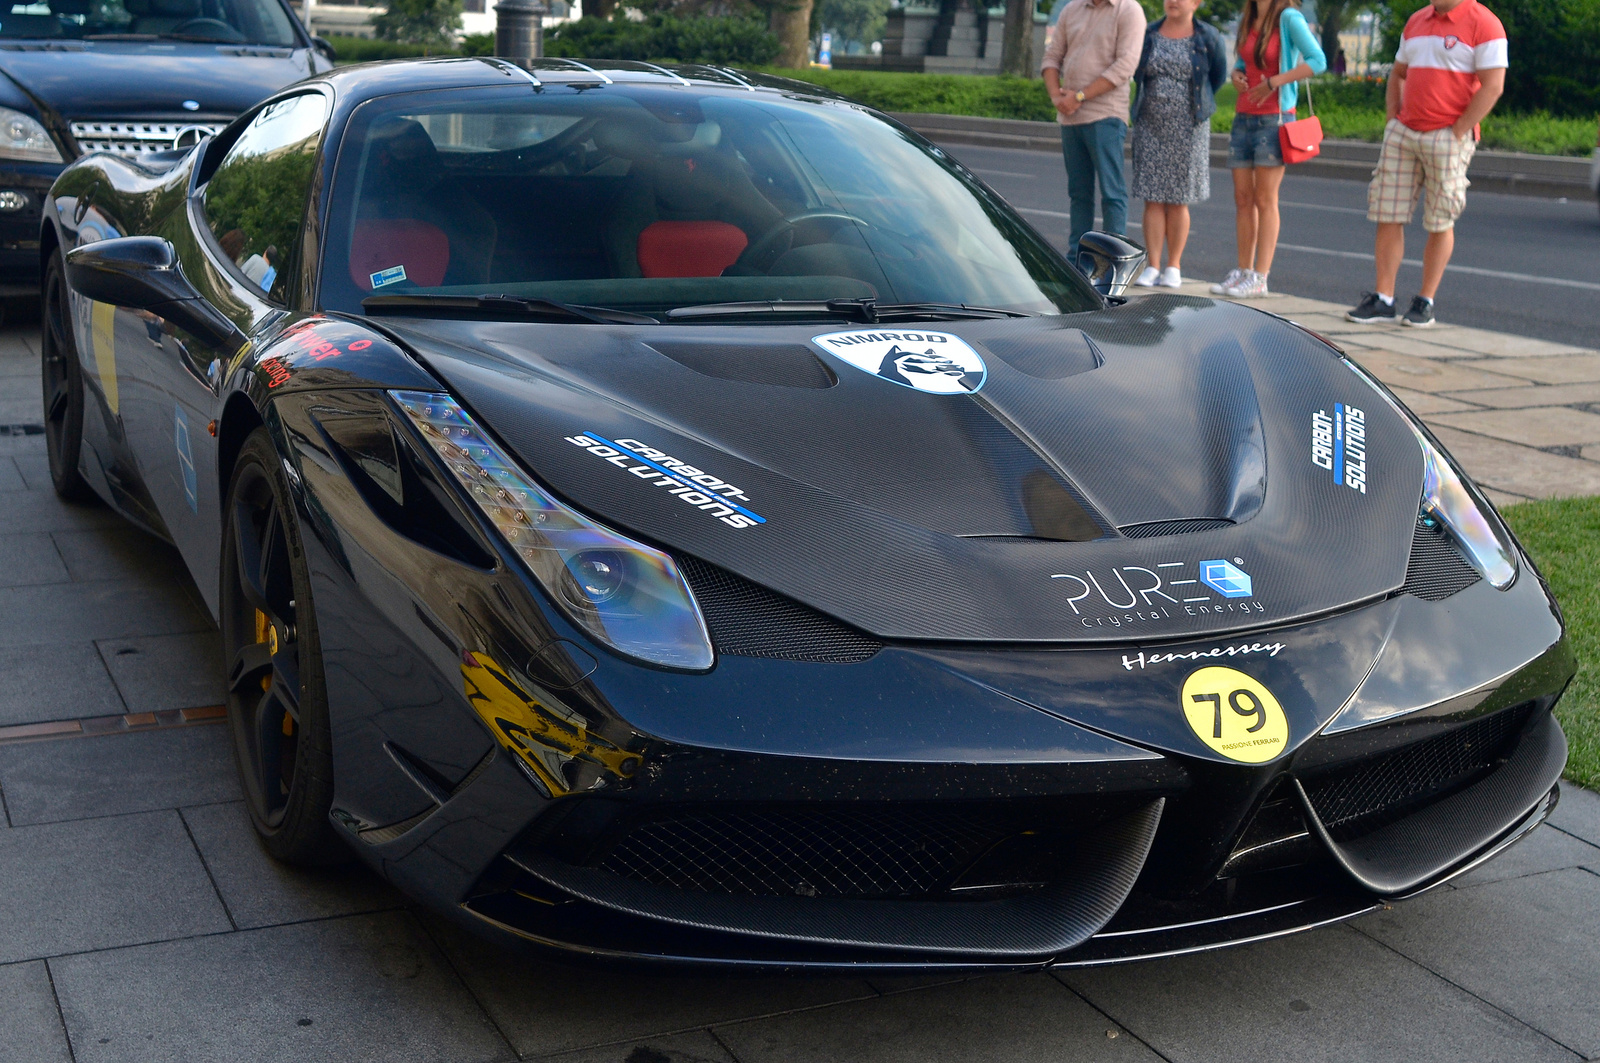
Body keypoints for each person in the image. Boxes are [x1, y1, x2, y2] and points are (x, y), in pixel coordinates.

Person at [1345, 0, 1506, 327]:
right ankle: (1383, 298)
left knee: (1440, 217)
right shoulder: (1417, 20)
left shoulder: (1485, 24)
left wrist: (1458, 132)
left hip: (1447, 135)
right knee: (1387, 214)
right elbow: (1399, 74)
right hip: (1405, 131)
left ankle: (1425, 300)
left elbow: (1493, 86)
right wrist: (1393, 121)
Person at [1211, 0, 1325, 298]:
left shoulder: (1288, 18)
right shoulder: (1248, 16)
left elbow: (1317, 60)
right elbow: (1244, 62)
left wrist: (1275, 82)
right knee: (1242, 197)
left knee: (1265, 198)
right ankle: (1243, 270)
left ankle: (1261, 276)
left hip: (1274, 119)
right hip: (1243, 117)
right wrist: (1236, 74)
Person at [1128, 0, 1227, 288]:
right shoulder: (1149, 32)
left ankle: (1173, 266)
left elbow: (1217, 76)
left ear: (1196, 3)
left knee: (1179, 198)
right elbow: (1138, 71)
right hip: (1150, 123)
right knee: (1153, 196)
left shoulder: (1208, 36)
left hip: (1189, 126)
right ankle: (1153, 265)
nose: (1172, 1)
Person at [1040, 0, 1147, 259]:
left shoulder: (1129, 10)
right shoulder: (1072, 9)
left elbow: (1125, 66)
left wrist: (1078, 97)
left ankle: (1114, 260)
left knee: (1112, 194)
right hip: (1070, 117)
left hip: (1106, 115)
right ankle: (1078, 259)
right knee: (1078, 194)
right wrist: (1056, 96)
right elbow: (1052, 57)